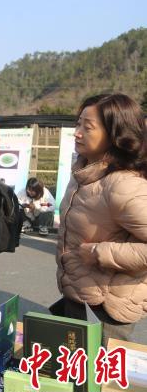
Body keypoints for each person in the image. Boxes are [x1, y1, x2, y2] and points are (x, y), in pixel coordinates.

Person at [57, 93, 147, 345]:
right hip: (80, 296)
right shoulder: (84, 172)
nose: (77, 132)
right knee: (73, 378)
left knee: (94, 382)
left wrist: (100, 252)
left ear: (115, 135)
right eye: (78, 124)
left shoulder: (124, 186)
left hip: (106, 312)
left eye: (87, 127)